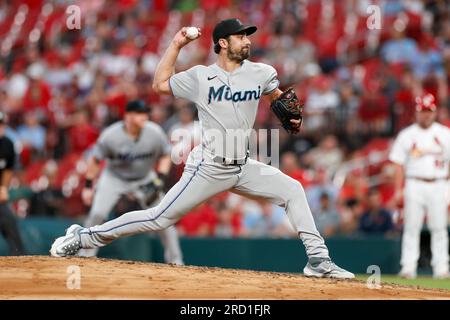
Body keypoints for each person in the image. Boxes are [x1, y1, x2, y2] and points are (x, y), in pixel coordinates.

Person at [50, 19, 354, 279]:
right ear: (222, 43)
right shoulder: (200, 77)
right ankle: (84, 236)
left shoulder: (261, 72)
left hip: (243, 166)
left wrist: (286, 108)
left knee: (293, 190)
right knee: (159, 218)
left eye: (247, 35)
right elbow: (159, 84)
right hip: (208, 167)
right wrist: (176, 44)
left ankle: (318, 261)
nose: (246, 40)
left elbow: (276, 96)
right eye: (240, 36)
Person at [77, 100, 183, 265]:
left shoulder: (154, 132)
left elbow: (165, 154)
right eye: (140, 113)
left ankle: (176, 261)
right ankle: (85, 258)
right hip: (114, 178)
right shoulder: (111, 135)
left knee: (165, 218)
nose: (144, 116)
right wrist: (89, 186)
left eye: (145, 113)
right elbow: (96, 160)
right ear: (128, 116)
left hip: (145, 178)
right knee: (97, 214)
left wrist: (158, 180)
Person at [389, 93, 450, 279]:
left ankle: (441, 268)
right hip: (414, 182)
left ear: (435, 111)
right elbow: (397, 163)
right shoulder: (407, 135)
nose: (426, 115)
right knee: (411, 227)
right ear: (416, 112)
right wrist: (398, 189)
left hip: (439, 182)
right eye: (423, 111)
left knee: (439, 227)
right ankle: (408, 267)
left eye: (429, 111)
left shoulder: (444, 134)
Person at [0, 112, 25, 255]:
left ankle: (20, 260)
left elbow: (8, 169)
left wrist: (3, 188)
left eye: (1, 124)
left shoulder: (8, 144)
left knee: (9, 222)